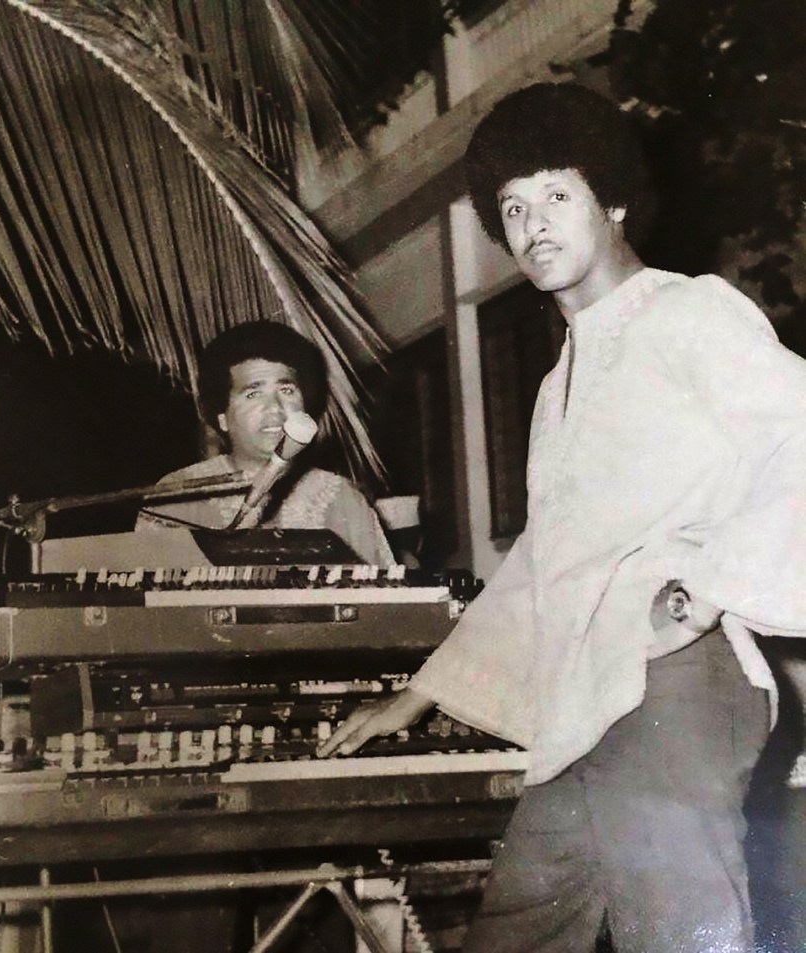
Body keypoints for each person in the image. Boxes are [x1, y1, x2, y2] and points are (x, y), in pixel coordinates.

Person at [318, 81, 806, 952]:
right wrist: (418, 696)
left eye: (556, 195)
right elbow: (546, 561)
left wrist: (704, 591)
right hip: (585, 705)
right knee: (515, 928)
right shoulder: (555, 388)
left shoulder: (687, 311)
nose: (533, 223)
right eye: (513, 206)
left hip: (674, 690)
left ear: (612, 200)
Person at [136, 320, 393, 566]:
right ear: (222, 417)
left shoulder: (343, 498)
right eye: (253, 393)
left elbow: (385, 592)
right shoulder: (176, 497)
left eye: (286, 391)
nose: (275, 408)